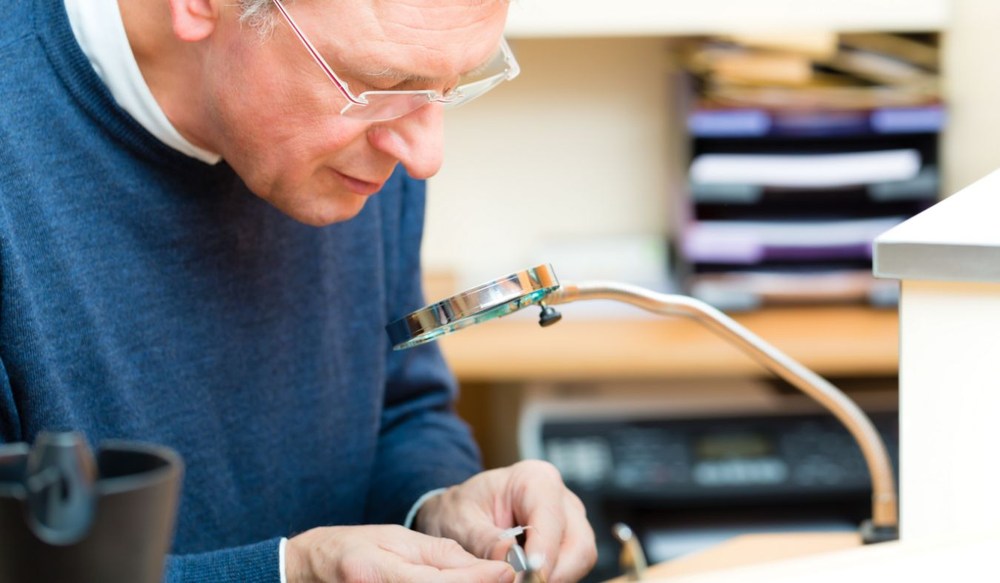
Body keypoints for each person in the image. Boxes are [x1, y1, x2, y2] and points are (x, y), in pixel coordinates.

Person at [0, 0, 597, 581]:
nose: (424, 157)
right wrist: (287, 573)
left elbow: (399, 409)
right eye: (379, 85)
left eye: (453, 85)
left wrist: (439, 507)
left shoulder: (373, 139)